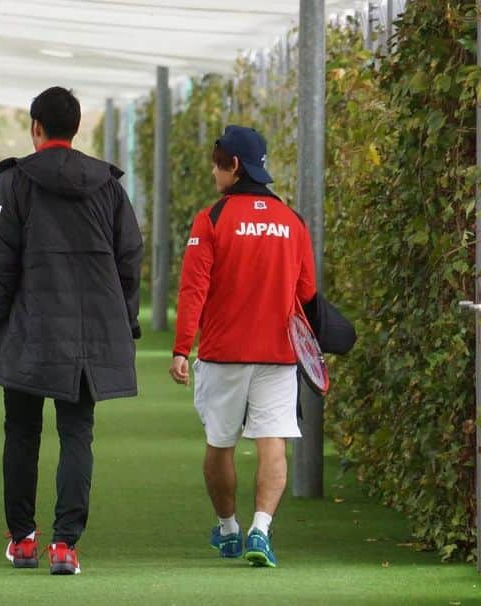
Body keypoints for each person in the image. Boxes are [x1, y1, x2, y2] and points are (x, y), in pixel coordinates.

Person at [0, 86, 143, 575]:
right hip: (89, 338)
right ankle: (66, 546)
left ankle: (23, 539)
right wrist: (125, 319)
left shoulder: (12, 183)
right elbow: (130, 257)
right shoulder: (108, 185)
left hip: (28, 332)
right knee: (78, 433)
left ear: (35, 127)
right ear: (76, 129)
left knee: (22, 431)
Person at [168, 125, 316, 568]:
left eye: (216, 164)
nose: (214, 173)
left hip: (222, 353)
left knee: (220, 444)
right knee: (274, 444)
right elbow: (306, 292)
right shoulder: (292, 222)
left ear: (232, 165)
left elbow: (193, 289)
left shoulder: (211, 219)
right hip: (278, 354)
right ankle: (261, 530)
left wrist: (180, 349)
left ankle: (229, 529)